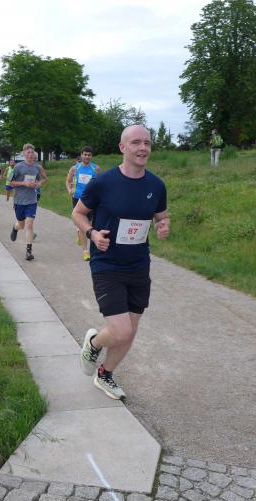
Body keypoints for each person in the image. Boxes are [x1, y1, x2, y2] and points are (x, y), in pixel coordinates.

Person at [72, 125, 170, 400]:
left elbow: (161, 216)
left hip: (138, 264)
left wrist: (163, 226)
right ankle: (94, 343)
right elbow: (78, 213)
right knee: (121, 330)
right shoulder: (103, 182)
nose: (143, 148)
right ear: (122, 147)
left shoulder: (156, 185)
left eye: (147, 143)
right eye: (136, 142)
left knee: (130, 331)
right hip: (107, 264)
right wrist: (92, 233)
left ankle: (105, 374)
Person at [9, 144, 47, 261]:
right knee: (21, 225)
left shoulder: (38, 167)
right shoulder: (18, 167)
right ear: (24, 154)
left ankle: (28, 251)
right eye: (28, 152)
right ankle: (15, 228)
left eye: (32, 152)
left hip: (32, 200)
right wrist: (24, 183)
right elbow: (10, 181)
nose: (30, 154)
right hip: (19, 200)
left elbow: (44, 178)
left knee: (29, 224)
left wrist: (39, 184)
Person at [65, 146, 101, 261]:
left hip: (91, 200)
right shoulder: (75, 168)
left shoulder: (96, 169)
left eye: (89, 155)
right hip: (78, 198)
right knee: (82, 224)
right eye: (85, 154)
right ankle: (86, 251)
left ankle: (80, 233)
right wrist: (69, 189)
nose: (87, 157)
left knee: (88, 224)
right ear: (81, 155)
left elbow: (100, 184)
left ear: (92, 156)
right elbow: (68, 181)